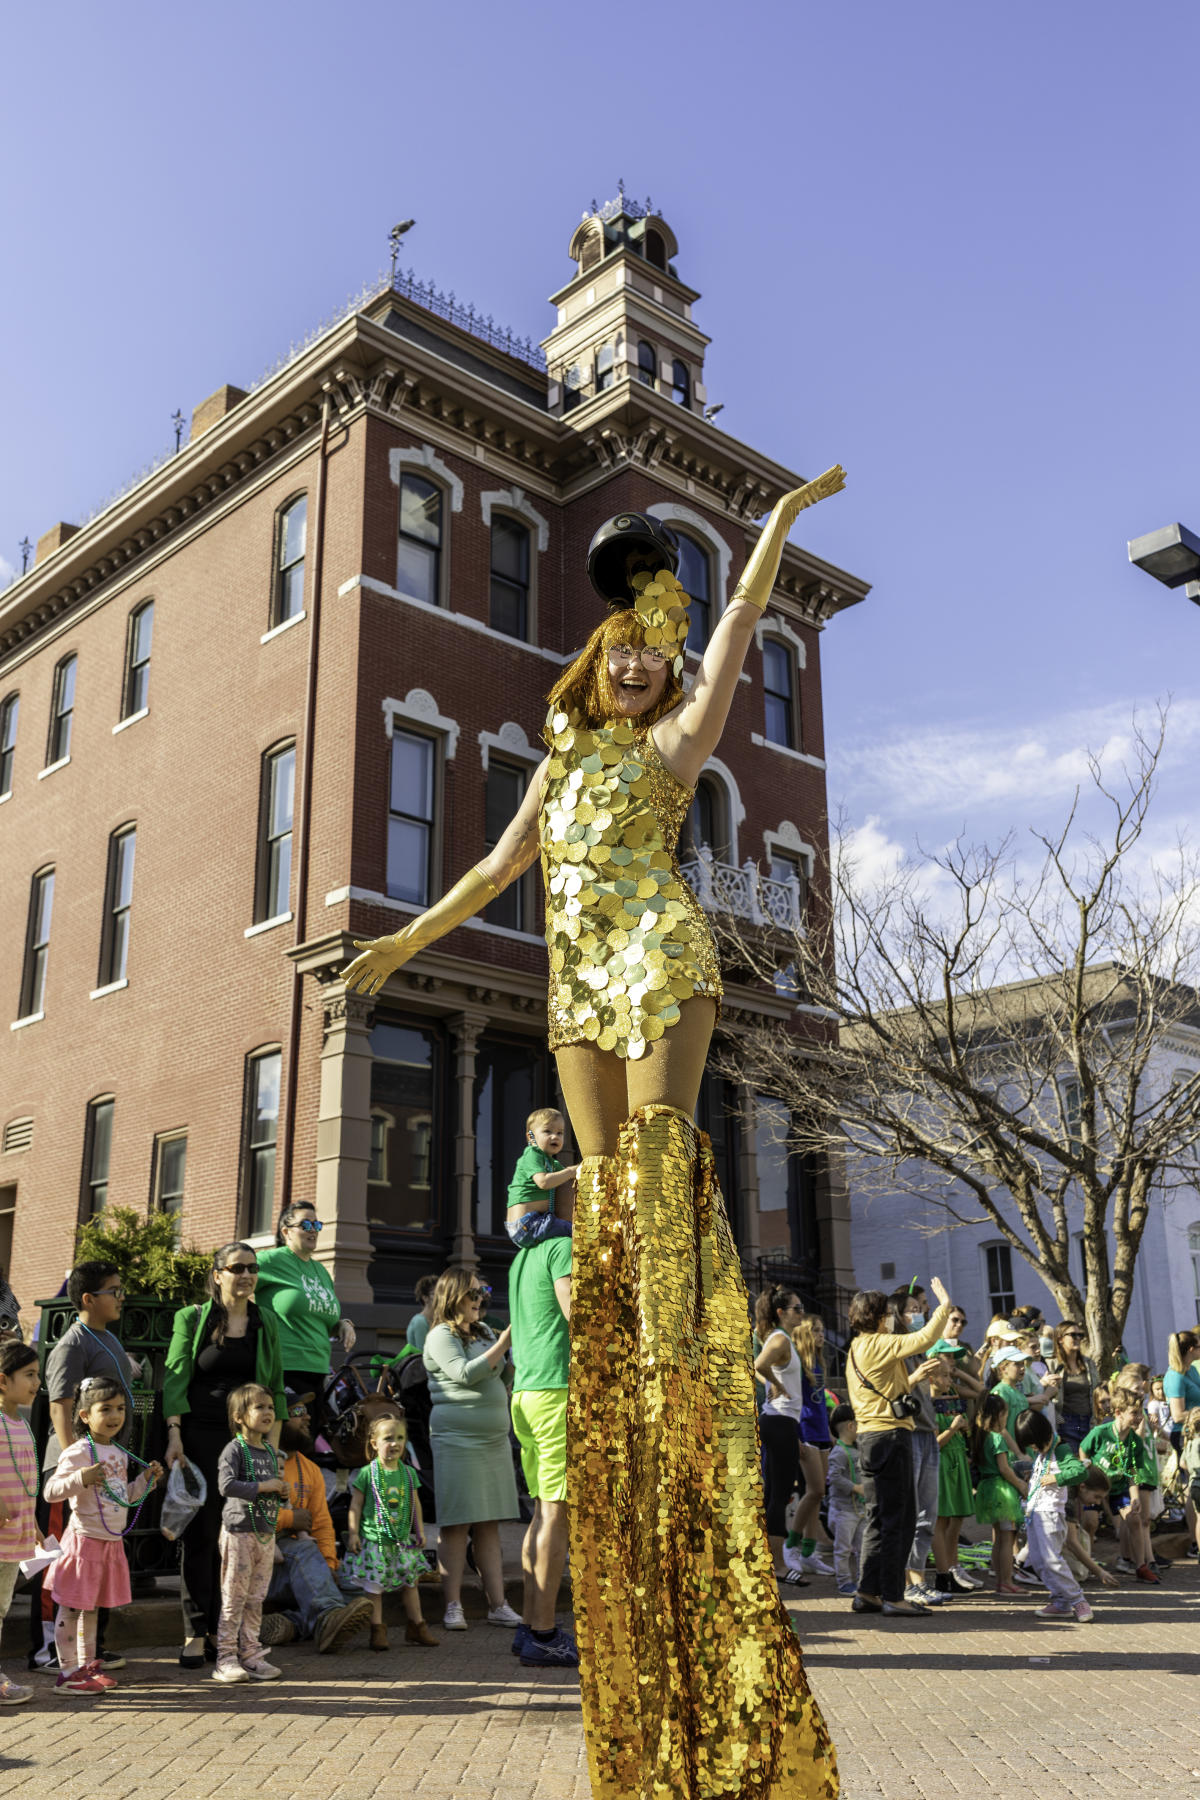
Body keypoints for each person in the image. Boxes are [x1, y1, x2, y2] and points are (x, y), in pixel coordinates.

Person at [346, 476, 847, 1798]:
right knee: (602, 1198)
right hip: (577, 989)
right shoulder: (557, 767)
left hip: (663, 961)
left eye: (655, 656)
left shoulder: (673, 750)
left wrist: (777, 528)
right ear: (594, 660)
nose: (639, 664)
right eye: (624, 648)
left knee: (664, 1164)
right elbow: (494, 871)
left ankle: (682, 1363)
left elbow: (735, 634)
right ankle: (632, 1364)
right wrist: (406, 939)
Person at [163, 1243, 287, 1668]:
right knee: (200, 1536)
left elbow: (274, 1385)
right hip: (200, 1434)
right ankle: (196, 1630)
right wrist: (174, 1434)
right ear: (218, 1274)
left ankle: (228, 1634)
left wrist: (274, 1448)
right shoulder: (193, 1318)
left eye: (252, 1268)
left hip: (248, 1442)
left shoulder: (265, 1321)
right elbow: (176, 1375)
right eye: (238, 1268)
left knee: (242, 1536)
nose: (247, 1275)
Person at [39, 1261, 141, 1676]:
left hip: (103, 1469)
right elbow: (60, 1405)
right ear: (88, 1299)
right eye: (113, 1290)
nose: (120, 1296)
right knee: (64, 1565)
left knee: (91, 1577)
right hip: (76, 1472)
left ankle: (87, 1656)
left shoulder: (108, 1338)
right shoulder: (71, 1343)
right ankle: (50, 1652)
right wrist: (77, 1459)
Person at [45, 1375, 163, 1695]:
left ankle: (87, 1665)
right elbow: (51, 1492)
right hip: (83, 1543)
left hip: (109, 1543)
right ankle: (67, 1672)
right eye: (106, 1409)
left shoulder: (120, 1453)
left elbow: (123, 1496)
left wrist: (146, 1481)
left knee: (93, 1608)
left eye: (121, 1409)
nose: (115, 1416)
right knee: (71, 1607)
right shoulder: (80, 1451)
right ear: (85, 1415)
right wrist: (82, 1477)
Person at [844, 1276, 953, 1617]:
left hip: (869, 1437)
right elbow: (925, 1337)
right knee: (900, 1519)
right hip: (891, 1437)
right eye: (888, 1313)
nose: (892, 1318)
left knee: (879, 1518)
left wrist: (913, 1379)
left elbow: (882, 1389)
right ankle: (894, 1595)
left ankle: (868, 1592)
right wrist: (944, 1305)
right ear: (880, 1316)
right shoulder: (879, 1342)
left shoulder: (856, 1348)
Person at [421, 1269, 521, 1633]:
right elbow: (464, 1374)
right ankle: (453, 1605)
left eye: (483, 1293)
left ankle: (498, 1605)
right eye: (473, 1294)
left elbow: (498, 1377)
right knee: (456, 1524)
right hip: (457, 1439)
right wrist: (505, 1344)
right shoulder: (439, 1336)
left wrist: (510, 1362)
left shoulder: (483, 1332)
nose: (480, 1300)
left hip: (493, 1441)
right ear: (453, 1297)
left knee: (489, 1524)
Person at [508, 1210, 577, 1667]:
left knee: (539, 1511)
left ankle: (530, 1625)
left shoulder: (522, 1255)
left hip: (526, 1392)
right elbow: (578, 1314)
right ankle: (544, 1632)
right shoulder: (562, 1247)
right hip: (555, 1390)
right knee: (556, 1513)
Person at [258, 1389, 374, 1655]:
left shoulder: (309, 1468)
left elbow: (321, 1523)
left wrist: (330, 1565)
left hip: (300, 1566)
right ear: (276, 1420)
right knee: (304, 1552)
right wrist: (290, 1518)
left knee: (357, 1585)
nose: (307, 1417)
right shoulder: (256, 1460)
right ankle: (326, 1618)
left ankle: (294, 1624)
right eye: (298, 1412)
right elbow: (242, 1518)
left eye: (306, 1411)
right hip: (261, 1566)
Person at [212, 1383, 287, 1683]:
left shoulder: (269, 1450)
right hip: (239, 1532)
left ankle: (251, 1655)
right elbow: (226, 1486)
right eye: (260, 1407)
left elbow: (271, 1490)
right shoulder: (234, 1449)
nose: (268, 1412)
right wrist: (263, 1487)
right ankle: (225, 1658)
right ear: (239, 1416)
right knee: (234, 1597)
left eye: (270, 1406)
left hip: (264, 1534)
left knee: (256, 1597)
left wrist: (281, 1492)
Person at [344, 1411, 436, 1652]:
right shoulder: (367, 1474)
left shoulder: (408, 1473)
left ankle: (417, 1625)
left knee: (411, 1583)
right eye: (388, 1438)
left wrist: (420, 1531)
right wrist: (353, 1533)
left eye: (400, 1438)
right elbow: (355, 1505)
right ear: (374, 1444)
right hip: (375, 1541)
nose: (394, 1443)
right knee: (375, 1588)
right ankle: (377, 1629)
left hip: (402, 1541)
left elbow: (415, 1503)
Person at [255, 1203, 356, 1417]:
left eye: (316, 1224)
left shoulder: (320, 1270)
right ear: (286, 1231)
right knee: (288, 1440)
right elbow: (232, 1275)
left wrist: (342, 1324)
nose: (313, 1229)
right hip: (283, 1369)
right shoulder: (271, 1261)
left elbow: (321, 1318)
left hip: (318, 1371)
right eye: (306, 1224)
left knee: (309, 1444)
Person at [755, 1311, 834, 1576]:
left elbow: (818, 1402)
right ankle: (792, 1546)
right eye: (816, 1330)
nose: (821, 1335)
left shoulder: (818, 1363)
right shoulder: (796, 1361)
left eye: (823, 1330)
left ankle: (808, 1552)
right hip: (804, 1431)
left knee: (818, 1494)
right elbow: (762, 1369)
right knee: (812, 1491)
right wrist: (797, 1435)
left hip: (821, 1433)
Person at [888, 1288, 946, 1608]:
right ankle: (908, 1582)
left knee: (928, 1513)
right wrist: (915, 1378)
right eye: (913, 1308)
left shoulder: (919, 1349)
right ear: (898, 1315)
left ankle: (919, 1577)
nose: (920, 1313)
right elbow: (888, 1392)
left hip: (928, 1432)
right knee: (910, 1512)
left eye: (921, 1307)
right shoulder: (895, 1349)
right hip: (908, 1435)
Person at [1014, 1408, 1094, 1623]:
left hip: (1050, 1513)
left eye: (1034, 1443)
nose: (1032, 1448)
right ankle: (1061, 1602)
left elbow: (1080, 1472)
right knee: (1040, 1562)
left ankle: (1078, 1600)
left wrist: (1056, 1478)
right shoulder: (1043, 1453)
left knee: (1051, 1560)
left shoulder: (1060, 1449)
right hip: (1035, 1513)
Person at [752, 1287, 809, 1584]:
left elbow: (760, 1367)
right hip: (779, 1421)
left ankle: (768, 1561)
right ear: (781, 1312)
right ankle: (778, 1566)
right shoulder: (779, 1339)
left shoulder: (782, 1339)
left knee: (774, 1492)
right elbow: (758, 1364)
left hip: (780, 1421)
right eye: (797, 1308)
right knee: (779, 1494)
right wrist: (773, 1383)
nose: (801, 1313)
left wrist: (773, 1383)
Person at [1080, 1389, 1160, 1584]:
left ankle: (1141, 1566)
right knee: (1090, 1522)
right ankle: (1086, 1564)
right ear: (1118, 1413)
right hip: (1096, 1484)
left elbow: (1132, 1473)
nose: (1139, 1418)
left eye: (1141, 1413)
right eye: (1134, 1413)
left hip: (1118, 1486)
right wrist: (1087, 1471)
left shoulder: (1135, 1442)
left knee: (1134, 1518)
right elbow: (1083, 1450)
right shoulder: (1101, 1432)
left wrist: (1134, 1498)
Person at [0, 1340, 40, 1706]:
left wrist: (35, 1526)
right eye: (29, 1374)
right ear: (2, 1381)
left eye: (37, 1375)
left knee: (0, 1608)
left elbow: (27, 1480)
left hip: (14, 1537)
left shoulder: (22, 1425)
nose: (36, 1382)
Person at [927, 1356, 975, 1597]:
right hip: (942, 1465)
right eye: (944, 1376)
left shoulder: (950, 1399)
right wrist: (953, 1428)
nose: (949, 1380)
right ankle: (942, 1573)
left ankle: (952, 1569)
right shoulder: (929, 1402)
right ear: (931, 1378)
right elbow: (934, 1443)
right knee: (941, 1521)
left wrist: (961, 1429)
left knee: (955, 1520)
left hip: (956, 1462)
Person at [971, 1391, 1027, 1595]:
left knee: (998, 1539)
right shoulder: (996, 1438)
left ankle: (1000, 1578)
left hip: (988, 1488)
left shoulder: (981, 1436)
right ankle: (1006, 1581)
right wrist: (1021, 1484)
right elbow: (1004, 1468)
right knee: (1006, 1538)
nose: (1006, 1419)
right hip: (1001, 1491)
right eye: (1005, 1414)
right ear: (997, 1416)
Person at [506, 1107, 578, 1248]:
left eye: (560, 1133)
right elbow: (543, 1182)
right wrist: (571, 1171)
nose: (555, 1137)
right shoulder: (532, 1154)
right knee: (577, 1231)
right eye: (547, 1131)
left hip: (535, 1222)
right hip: (526, 1224)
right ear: (530, 1137)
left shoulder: (551, 1162)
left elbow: (567, 1179)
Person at [825, 1404, 865, 1597]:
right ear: (851, 1426)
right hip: (844, 1511)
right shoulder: (839, 1452)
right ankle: (844, 1582)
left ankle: (862, 1580)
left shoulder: (857, 1449)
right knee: (843, 1549)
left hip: (859, 1510)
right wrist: (856, 1488)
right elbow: (834, 1477)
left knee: (862, 1547)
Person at [1045, 1322, 1099, 1452]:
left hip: (1089, 1420)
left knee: (1091, 1462)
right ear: (1060, 1339)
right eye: (1073, 1335)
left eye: (1080, 1335)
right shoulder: (1051, 1364)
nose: (1077, 1338)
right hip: (1066, 1421)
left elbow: (1098, 1389)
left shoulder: (1088, 1363)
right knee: (1074, 1461)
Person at [1163, 1330, 1200, 1449]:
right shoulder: (1175, 1377)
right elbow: (1178, 1415)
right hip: (1185, 1435)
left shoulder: (1192, 1369)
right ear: (1191, 1349)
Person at [405, 1275, 439, 1354]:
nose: (441, 1297)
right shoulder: (420, 1321)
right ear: (425, 1298)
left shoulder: (439, 1320)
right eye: (436, 1294)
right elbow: (422, 1354)